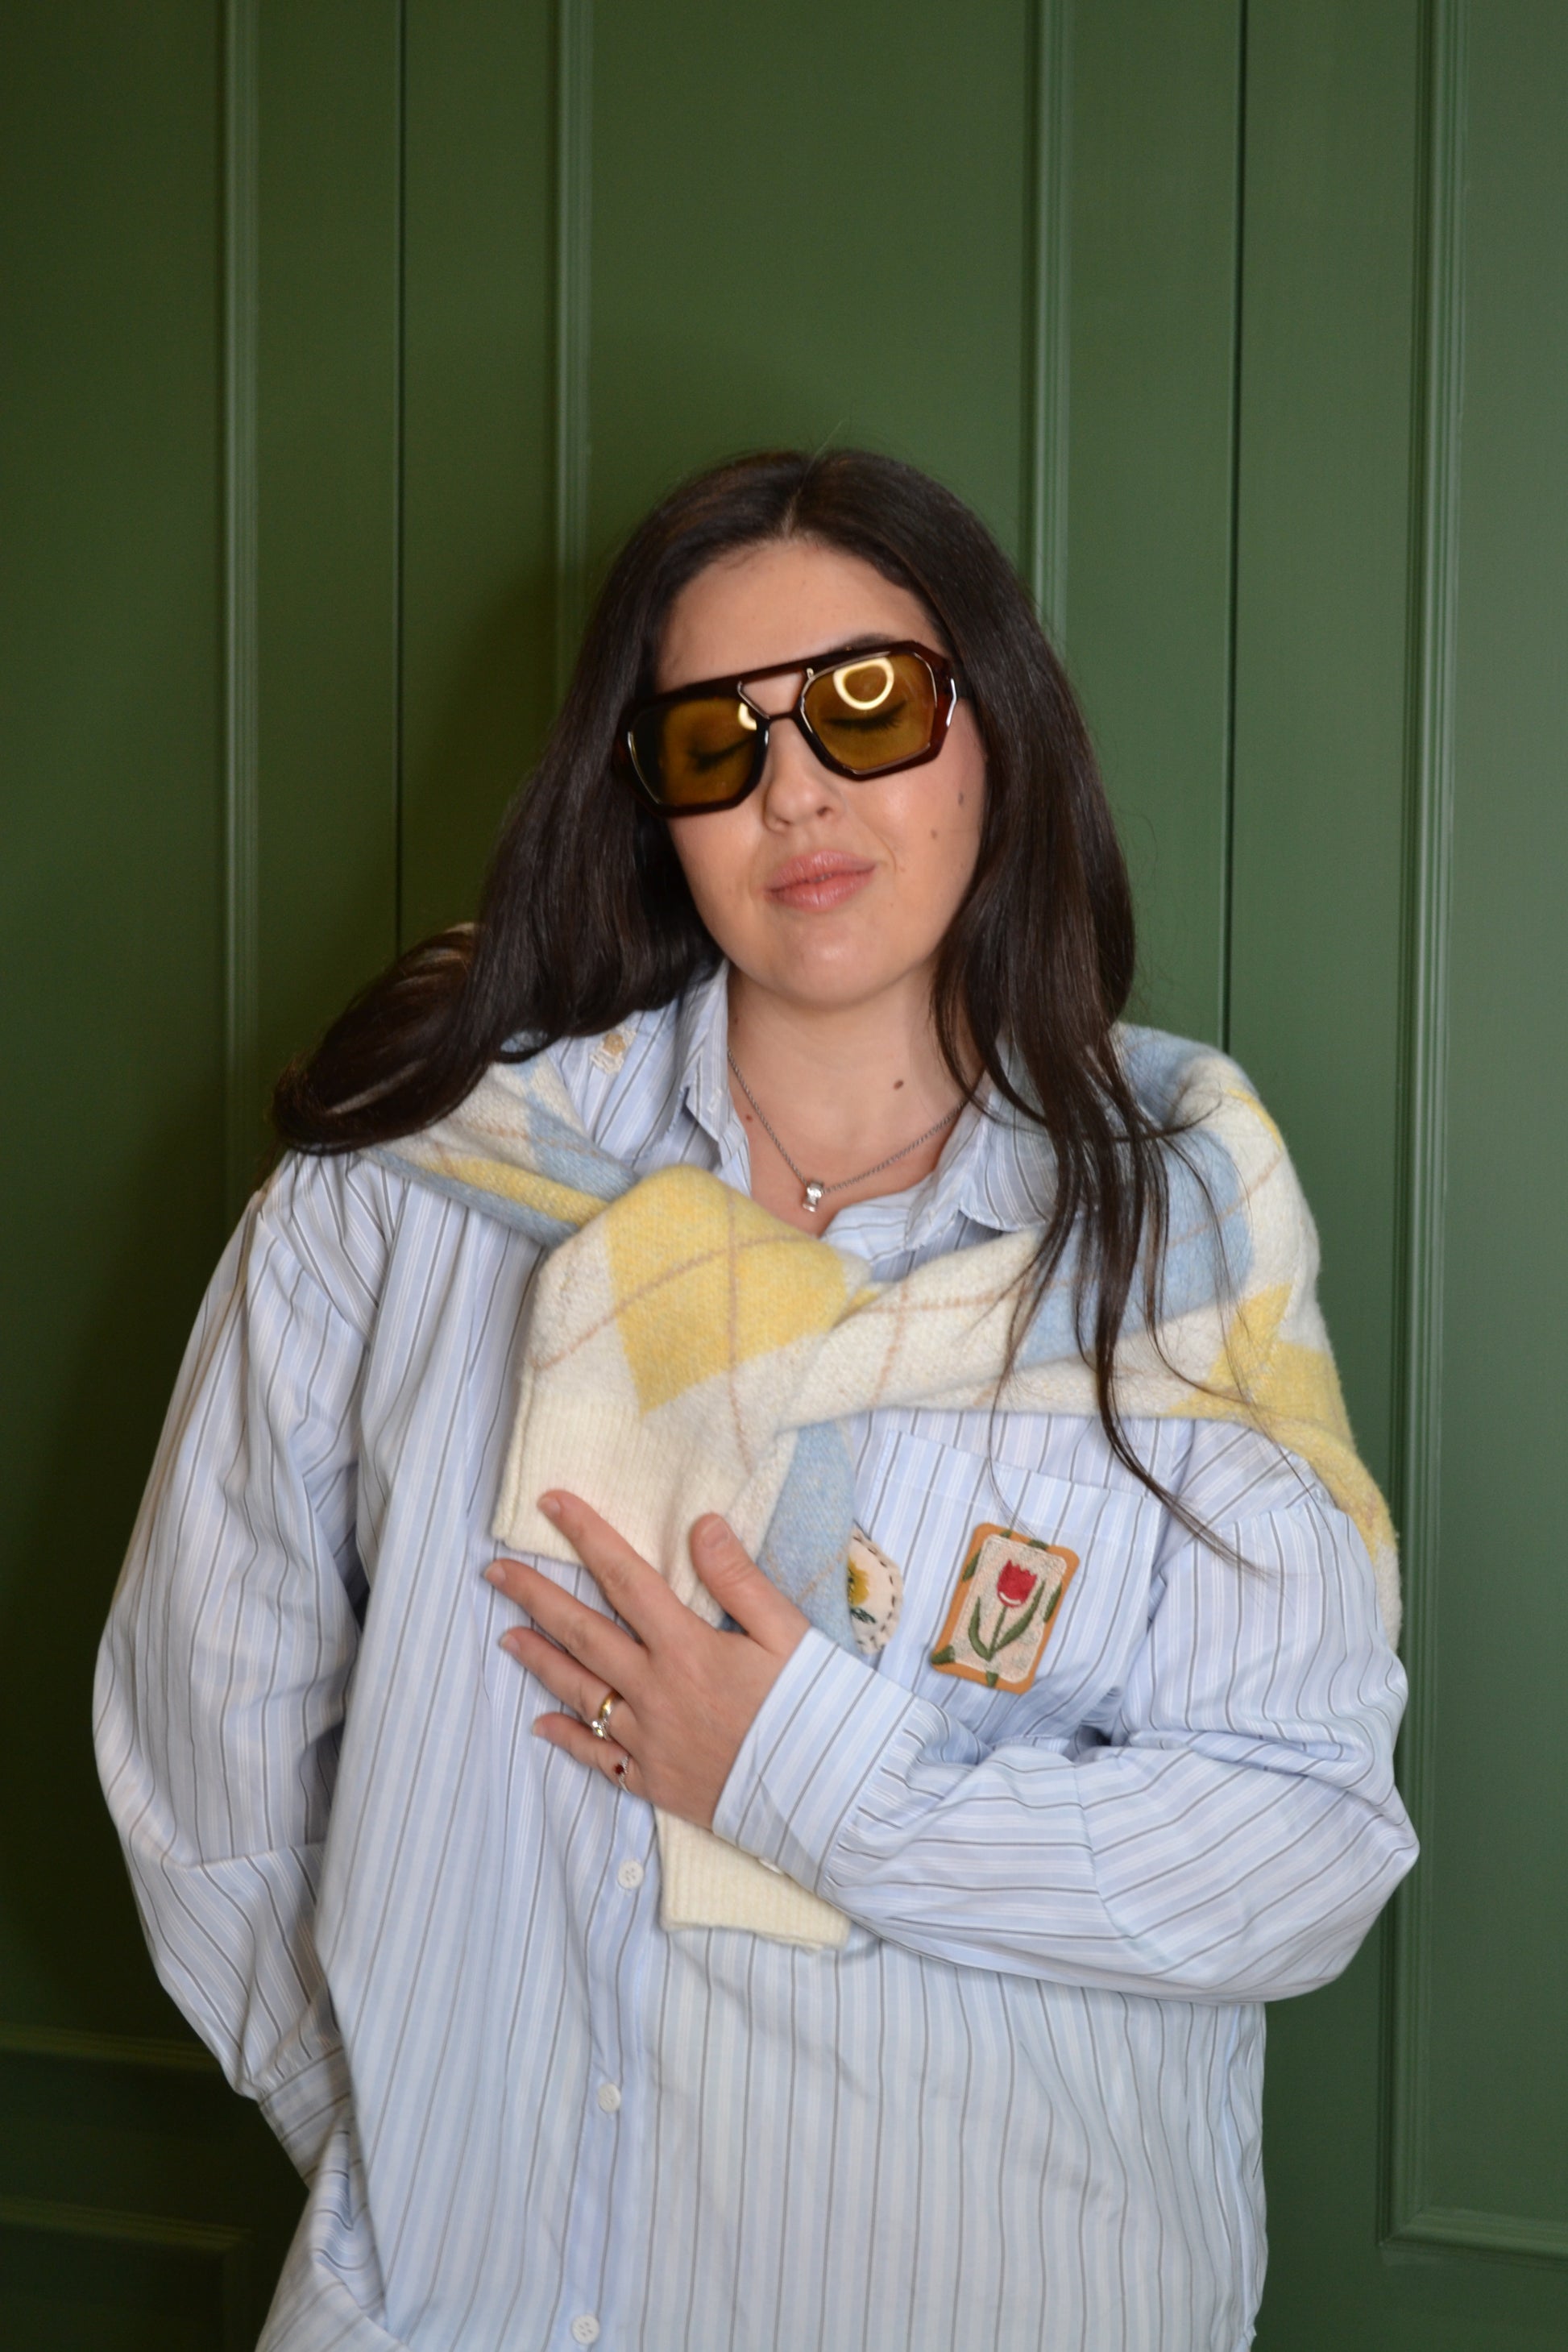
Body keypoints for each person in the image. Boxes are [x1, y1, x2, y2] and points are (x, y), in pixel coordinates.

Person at [94, 447, 1417, 2352]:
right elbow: (201, 1746)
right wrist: (398, 2144)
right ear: (652, 802)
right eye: (714, 740)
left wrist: (792, 1767)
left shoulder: (1178, 1231)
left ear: (993, 728)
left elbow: (1298, 1846)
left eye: (865, 705)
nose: (794, 788)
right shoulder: (418, 1179)